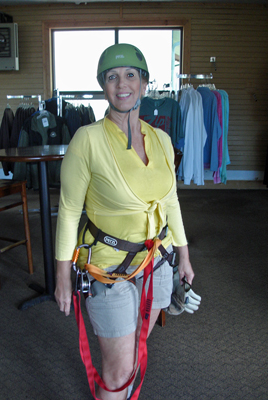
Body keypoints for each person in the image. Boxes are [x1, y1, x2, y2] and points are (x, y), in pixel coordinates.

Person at [55, 43, 194, 400]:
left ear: (145, 84)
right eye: (112, 77)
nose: (122, 84)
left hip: (158, 260)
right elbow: (69, 210)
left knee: (134, 348)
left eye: (131, 75)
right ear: (104, 86)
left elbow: (171, 200)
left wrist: (185, 256)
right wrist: (63, 278)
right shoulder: (87, 140)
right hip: (108, 267)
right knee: (117, 372)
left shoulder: (161, 139)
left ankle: (167, 302)